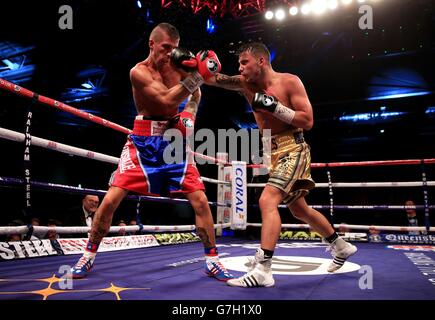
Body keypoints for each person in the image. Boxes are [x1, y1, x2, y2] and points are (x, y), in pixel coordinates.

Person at [69, 23, 233, 281]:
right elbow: (167, 100)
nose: (170, 54)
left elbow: (195, 93)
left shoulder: (179, 67)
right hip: (143, 140)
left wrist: (189, 117)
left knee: (200, 201)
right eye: (166, 47)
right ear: (152, 44)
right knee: (111, 200)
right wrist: (198, 75)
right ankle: (87, 255)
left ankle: (212, 260)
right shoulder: (138, 72)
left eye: (174, 48)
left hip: (174, 139)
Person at [204, 42, 357, 287]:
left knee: (267, 200)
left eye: (245, 63)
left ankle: (263, 269)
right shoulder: (246, 84)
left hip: (293, 147)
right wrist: (195, 65)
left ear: (261, 61)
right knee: (299, 210)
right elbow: (213, 80)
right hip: (272, 152)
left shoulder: (289, 82)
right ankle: (340, 245)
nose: (240, 68)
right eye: (239, 64)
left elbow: (307, 121)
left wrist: (275, 107)